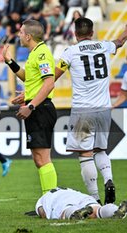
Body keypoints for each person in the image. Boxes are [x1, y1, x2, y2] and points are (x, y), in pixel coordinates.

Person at [55, 18, 127, 204]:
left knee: (85, 154)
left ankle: (95, 199)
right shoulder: (104, 46)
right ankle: (109, 180)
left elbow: (54, 76)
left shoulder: (70, 52)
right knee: (101, 150)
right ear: (92, 33)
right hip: (104, 109)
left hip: (82, 112)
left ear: (75, 33)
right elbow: (119, 42)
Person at [2, 20, 57, 195]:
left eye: (20, 32)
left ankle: (51, 202)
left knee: (43, 158)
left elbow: (49, 84)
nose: (18, 35)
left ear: (28, 36)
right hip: (37, 106)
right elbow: (28, 78)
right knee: (38, 159)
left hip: (40, 108)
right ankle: (47, 201)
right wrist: (10, 61)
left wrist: (31, 104)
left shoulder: (42, 54)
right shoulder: (34, 53)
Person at [35, 187, 127, 220]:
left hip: (60, 200)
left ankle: (75, 213)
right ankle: (116, 209)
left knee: (65, 211)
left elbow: (42, 212)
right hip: (80, 196)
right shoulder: (68, 189)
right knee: (97, 210)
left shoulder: (43, 199)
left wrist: (42, 215)